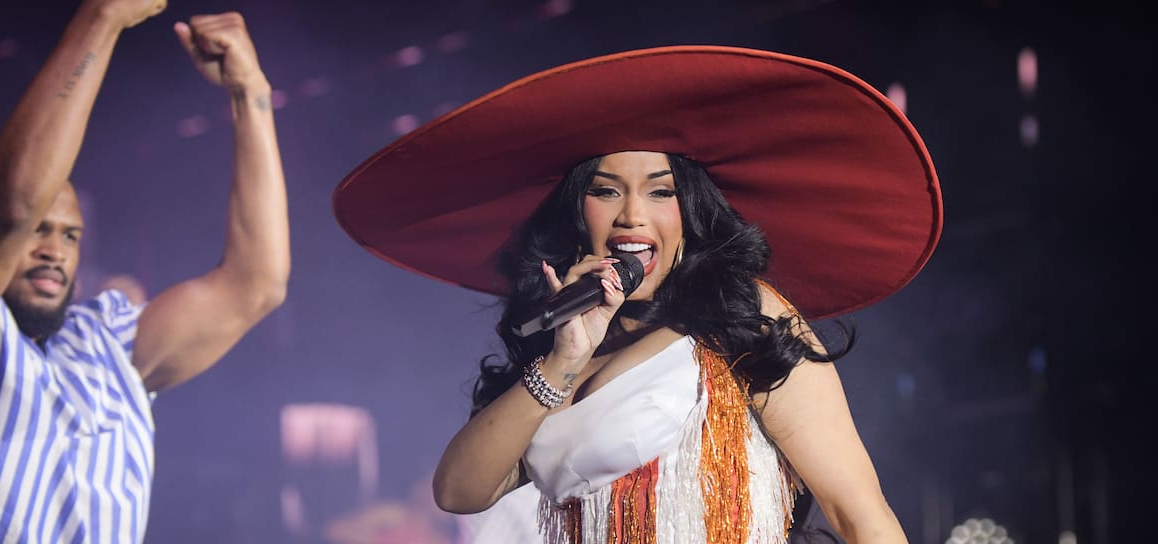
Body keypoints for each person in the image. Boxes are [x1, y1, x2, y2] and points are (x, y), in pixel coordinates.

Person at [332, 46, 942, 543]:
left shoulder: (741, 317)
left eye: (660, 191)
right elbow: (457, 493)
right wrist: (564, 359)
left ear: (690, 213)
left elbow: (860, 515)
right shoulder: (558, 358)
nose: (631, 215)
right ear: (578, 215)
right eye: (605, 191)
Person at [0, 1, 290, 541]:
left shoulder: (105, 342)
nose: (54, 251)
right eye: (39, 231)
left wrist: (249, 93)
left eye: (70, 235)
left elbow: (257, 285)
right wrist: (103, 16)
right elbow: (10, 205)